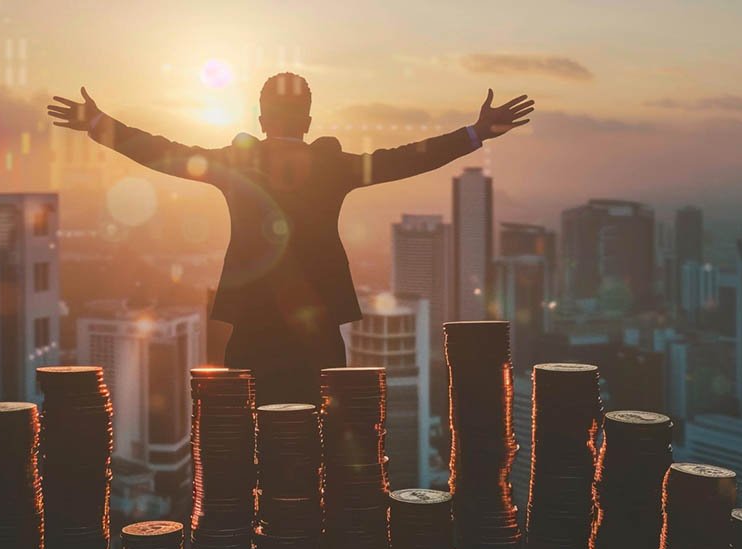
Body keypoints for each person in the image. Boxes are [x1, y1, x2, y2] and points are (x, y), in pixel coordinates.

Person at [48, 73, 533, 405]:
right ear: (308, 120)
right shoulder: (333, 166)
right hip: (317, 325)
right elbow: (407, 157)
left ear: (261, 120)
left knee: (250, 433)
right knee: (318, 434)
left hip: (252, 323)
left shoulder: (236, 163)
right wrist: (476, 133)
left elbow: (164, 153)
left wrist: (98, 125)